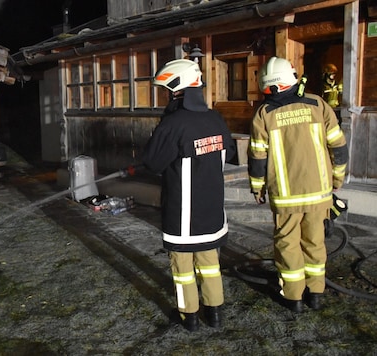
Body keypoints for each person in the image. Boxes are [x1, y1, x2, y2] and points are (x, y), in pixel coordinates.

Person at [248, 56, 348, 313]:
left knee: (287, 245)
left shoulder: (264, 113)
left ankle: (294, 298)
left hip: (285, 197)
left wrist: (257, 188)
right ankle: (315, 293)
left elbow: (257, 156)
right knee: (315, 243)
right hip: (319, 193)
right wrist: (337, 179)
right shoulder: (317, 104)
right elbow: (338, 146)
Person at [143, 59, 236, 331]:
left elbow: (153, 162)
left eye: (167, 91)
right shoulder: (215, 119)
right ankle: (215, 313)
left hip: (183, 214)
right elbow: (228, 153)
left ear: (176, 90)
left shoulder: (174, 124)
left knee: (183, 268)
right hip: (212, 211)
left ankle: (189, 316)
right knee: (210, 263)